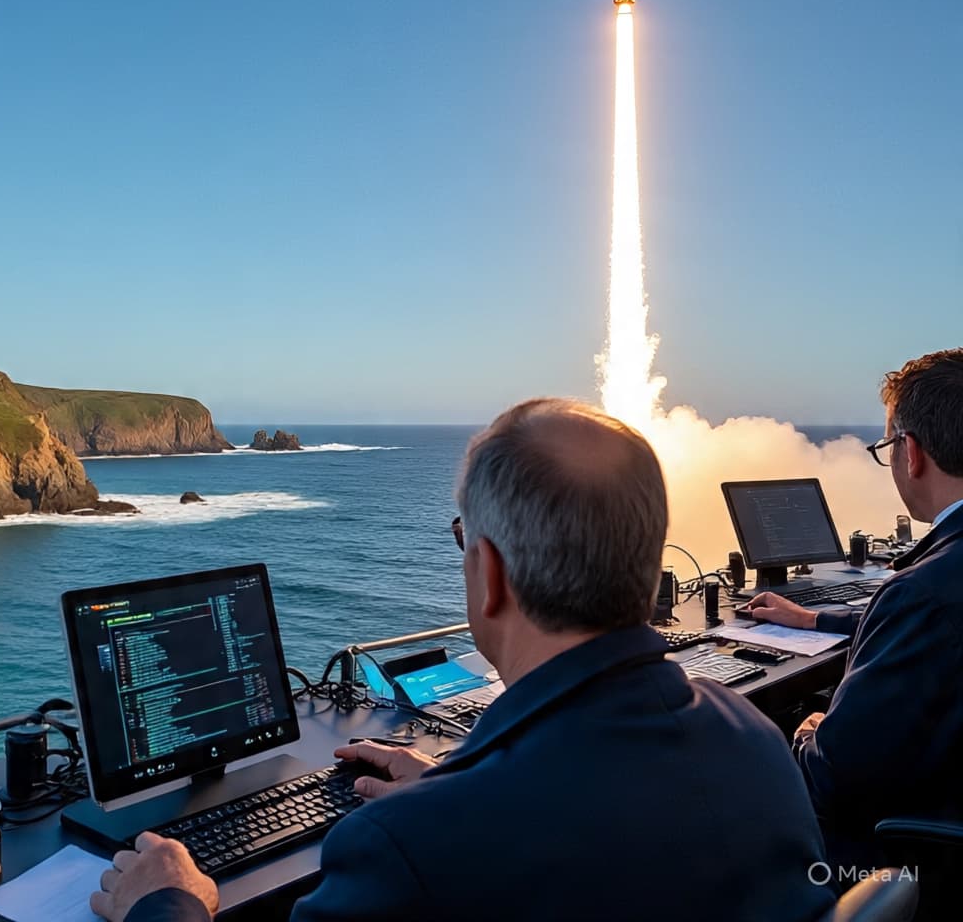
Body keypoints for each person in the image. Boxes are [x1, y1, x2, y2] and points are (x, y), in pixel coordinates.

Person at [91, 399, 834, 922]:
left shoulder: (406, 849)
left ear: (489, 572)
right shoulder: (757, 741)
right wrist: (457, 778)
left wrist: (170, 903)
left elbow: (516, 827)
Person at [747, 349, 963, 912]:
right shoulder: (933, 590)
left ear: (910, 453)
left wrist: (810, 732)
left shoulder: (922, 593)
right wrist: (814, 617)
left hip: (900, 861)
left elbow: (835, 782)